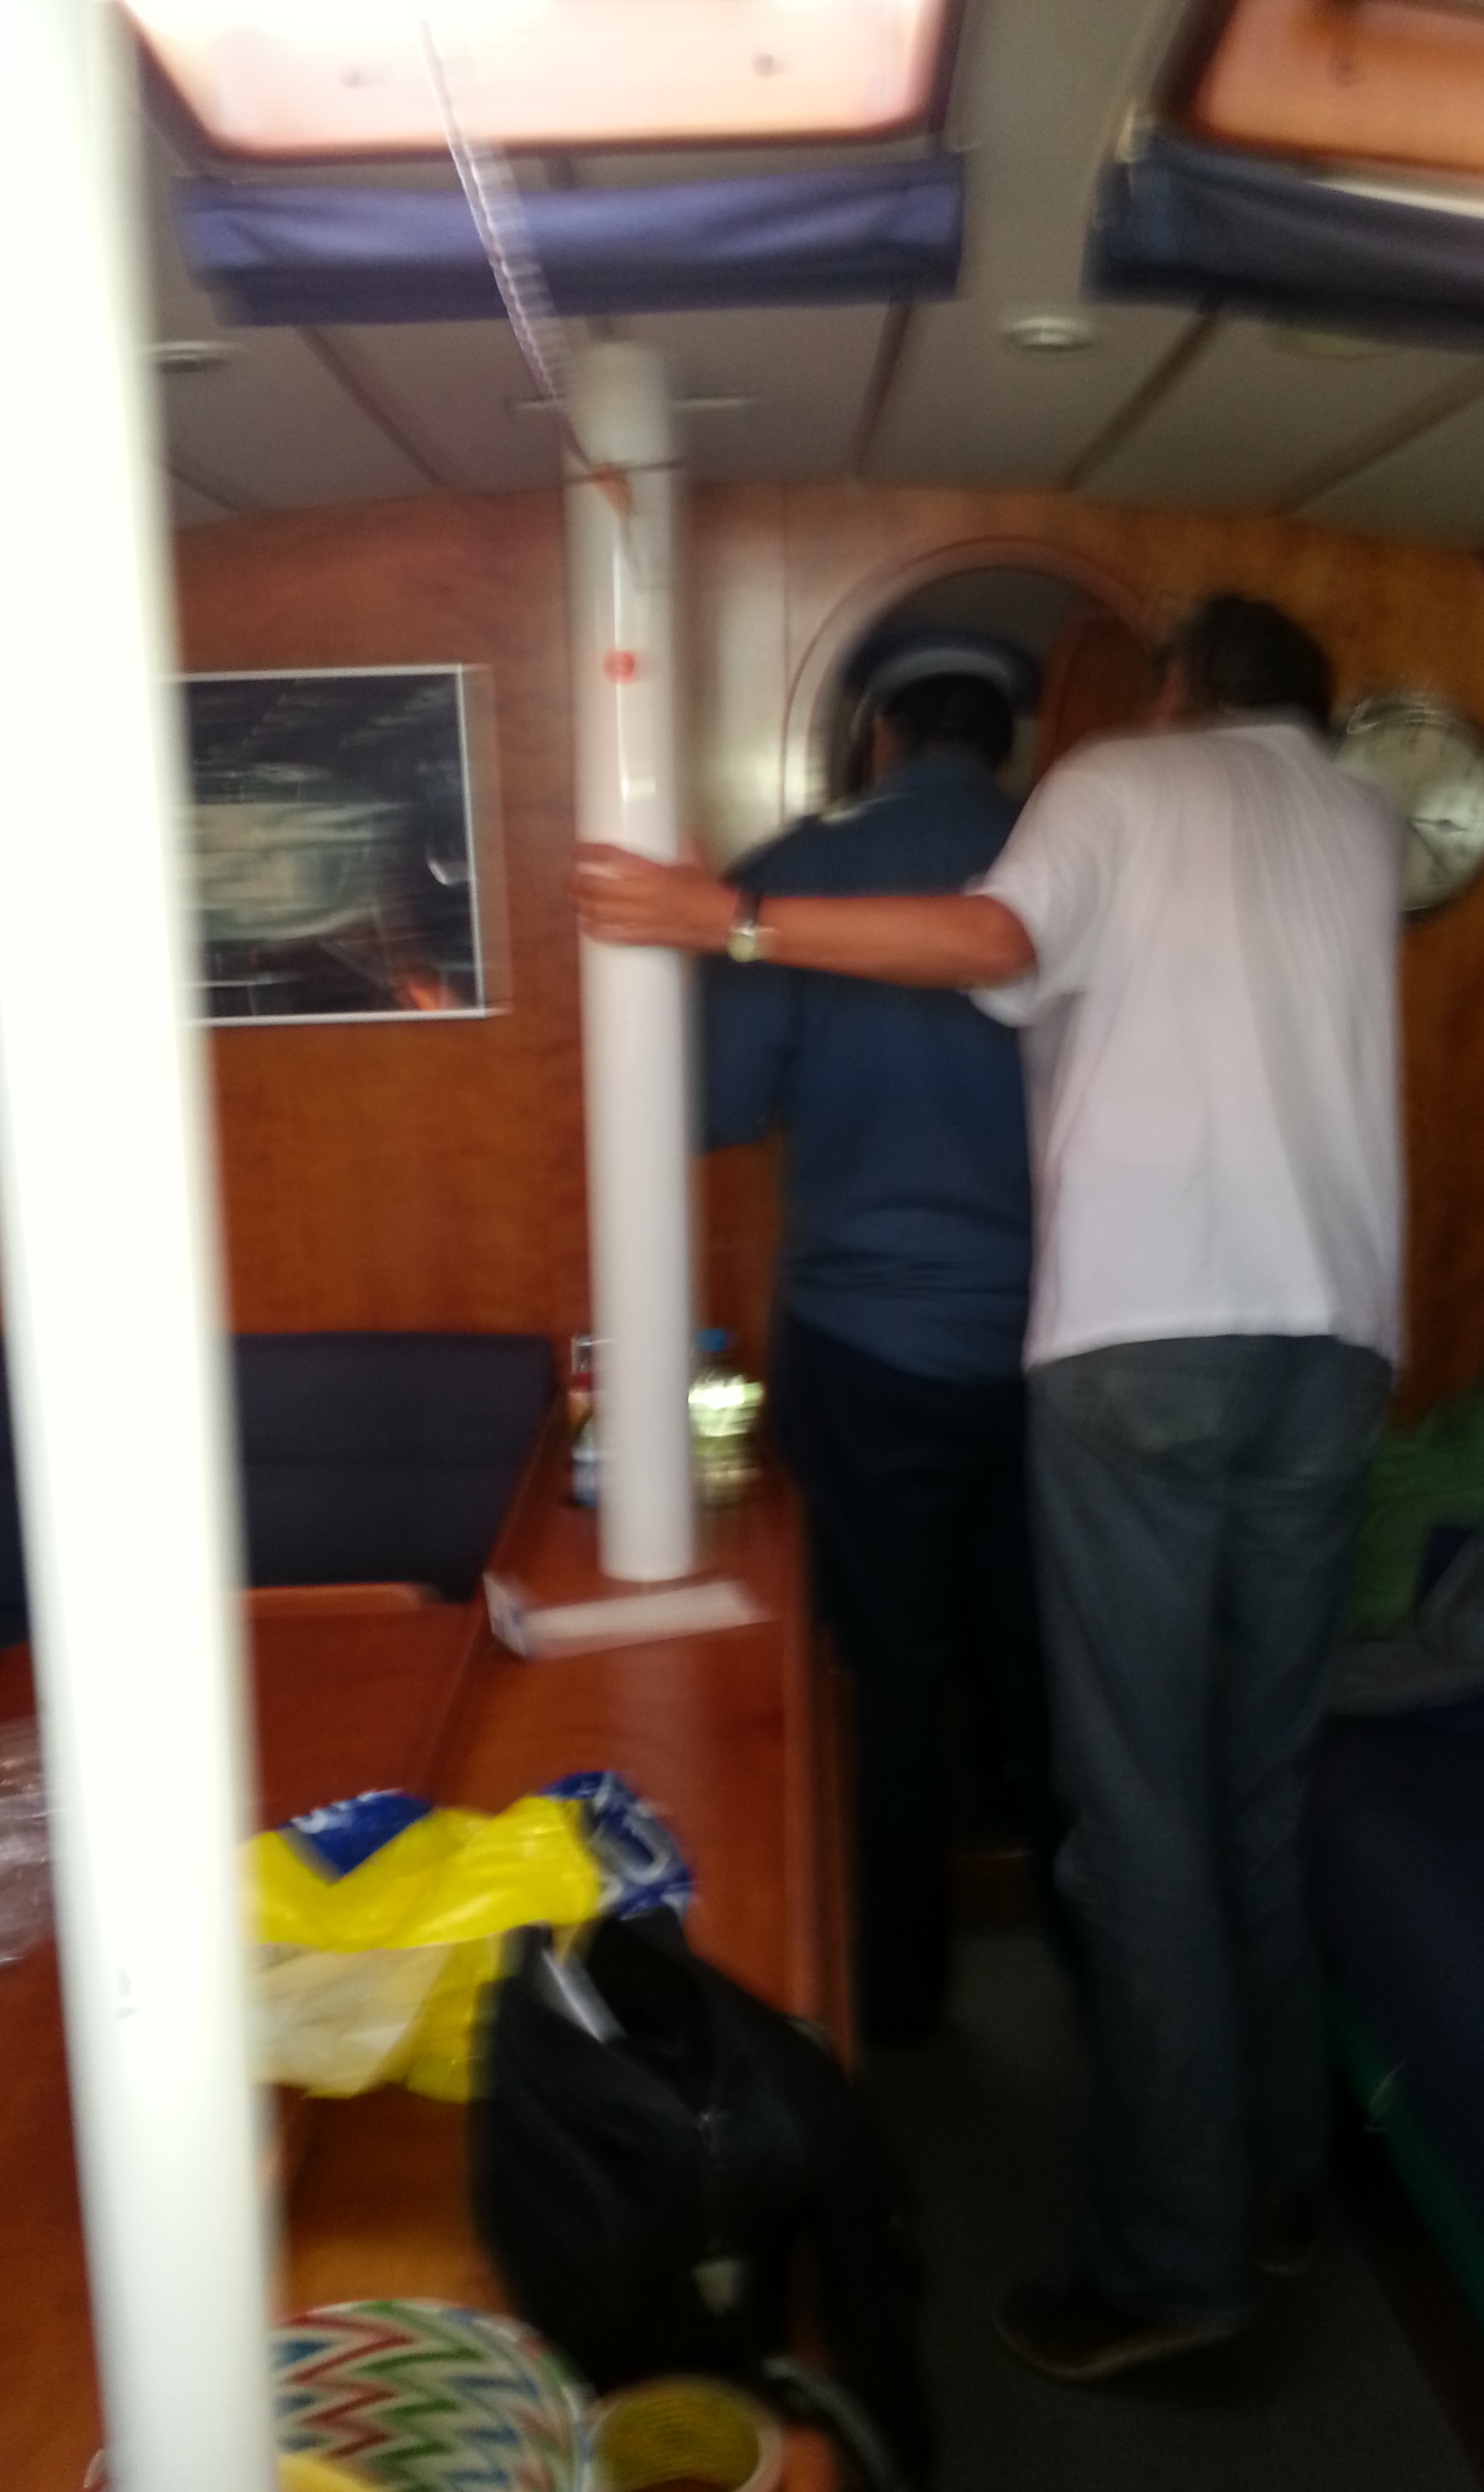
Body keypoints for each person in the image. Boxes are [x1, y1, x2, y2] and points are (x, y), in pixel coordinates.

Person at [574, 594, 1405, 2384]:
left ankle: (1163, 2251)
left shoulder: (1105, 795)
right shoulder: (1358, 822)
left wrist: (720, 917)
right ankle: (1274, 2168)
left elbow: (982, 946)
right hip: (1332, 1342)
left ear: (1176, 696)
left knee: (1099, 1794)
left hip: (1107, 1343)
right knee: (1245, 1788)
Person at [702, 665, 1055, 2048]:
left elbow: (721, 1108)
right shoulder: (1075, 862)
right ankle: (1107, 1994)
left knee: (888, 1675)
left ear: (881, 733)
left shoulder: (794, 874)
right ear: (1005, 742)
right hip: (1067, 1341)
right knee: (1052, 1666)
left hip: (868, 1345)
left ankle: (898, 2008)